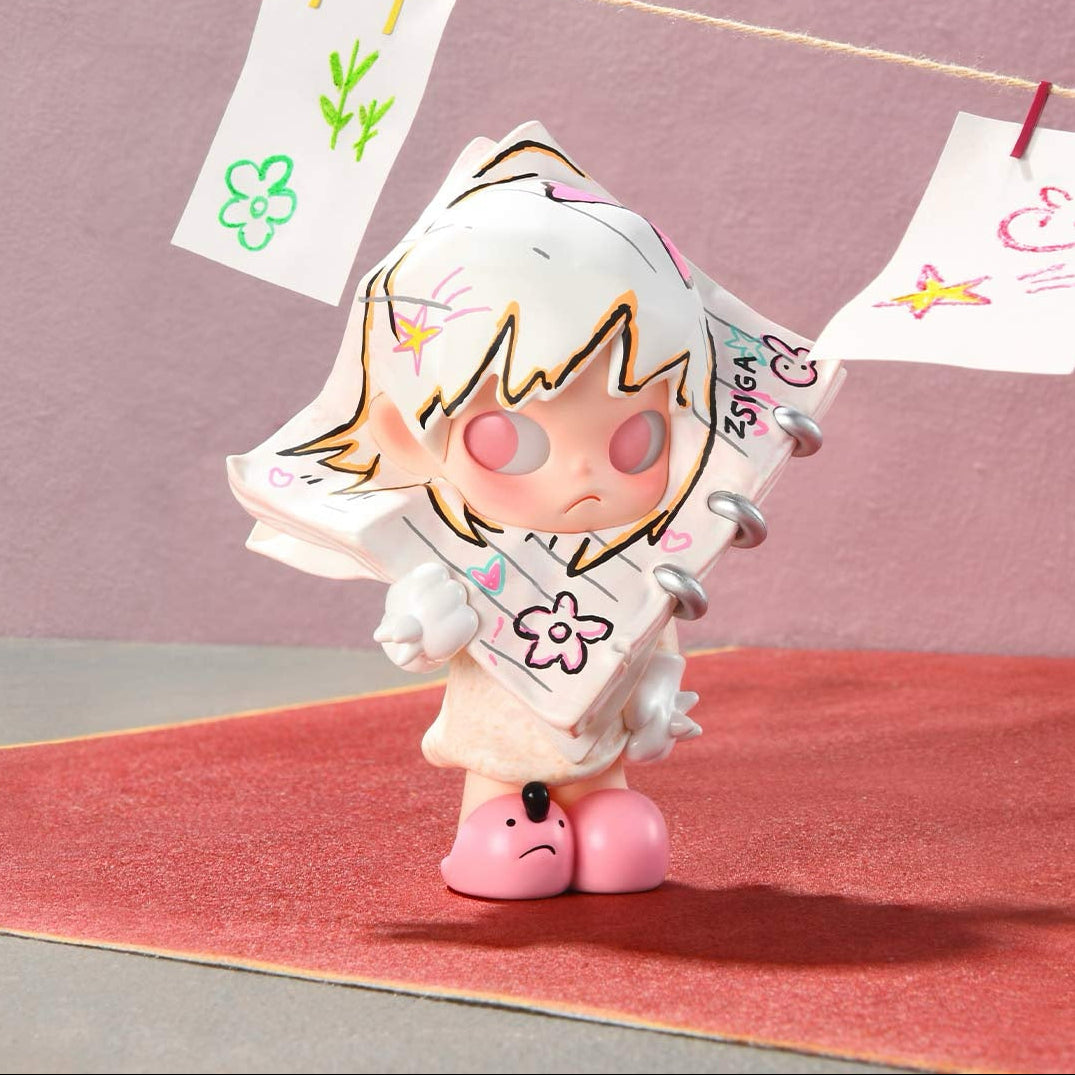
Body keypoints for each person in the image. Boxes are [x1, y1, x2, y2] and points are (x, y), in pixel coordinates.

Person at [228, 122, 830, 899]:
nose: (581, 472)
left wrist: (656, 699)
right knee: (508, 844)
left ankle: (598, 809)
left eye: (635, 437)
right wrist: (419, 627)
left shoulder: (642, 565)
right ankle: (491, 828)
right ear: (404, 436)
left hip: (600, 753)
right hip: (501, 756)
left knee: (623, 842)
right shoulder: (452, 559)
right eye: (512, 441)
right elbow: (422, 632)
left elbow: (653, 643)